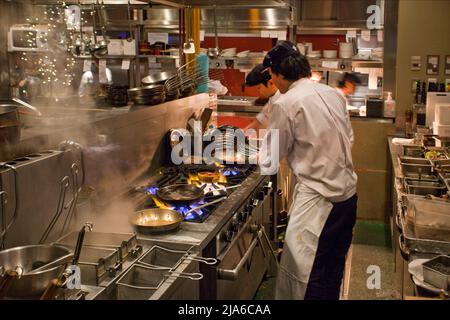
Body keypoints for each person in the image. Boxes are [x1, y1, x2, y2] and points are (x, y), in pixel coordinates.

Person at [259, 41, 358, 300]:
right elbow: (349, 138)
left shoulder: (286, 102)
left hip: (319, 203)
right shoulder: (332, 93)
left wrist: (250, 159)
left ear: (279, 73)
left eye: (270, 74)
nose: (271, 80)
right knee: (332, 269)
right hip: (347, 199)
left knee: (305, 274)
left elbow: (270, 157)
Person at [243, 64, 281, 132]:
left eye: (259, 88)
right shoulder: (273, 97)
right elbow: (261, 121)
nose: (259, 92)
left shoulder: (281, 99)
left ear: (270, 82)